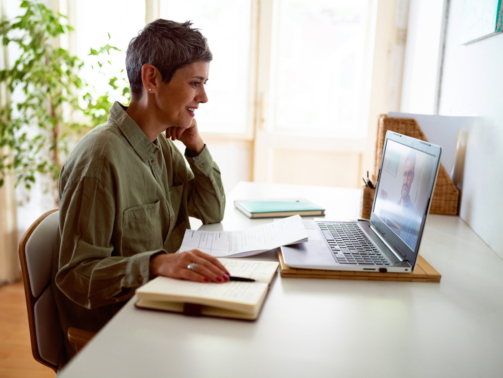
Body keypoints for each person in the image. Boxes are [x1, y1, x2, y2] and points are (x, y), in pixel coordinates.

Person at [51, 19, 229, 367]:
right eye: (195, 83)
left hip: (157, 311)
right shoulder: (100, 159)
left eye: (204, 84)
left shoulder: (159, 146)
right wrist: (157, 263)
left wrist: (195, 144)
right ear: (151, 78)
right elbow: (76, 275)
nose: (203, 97)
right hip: (120, 336)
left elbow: (212, 210)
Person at [396, 150, 419, 248]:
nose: (406, 179)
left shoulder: (413, 220)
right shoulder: (393, 206)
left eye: (409, 174)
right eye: (405, 174)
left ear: (413, 177)